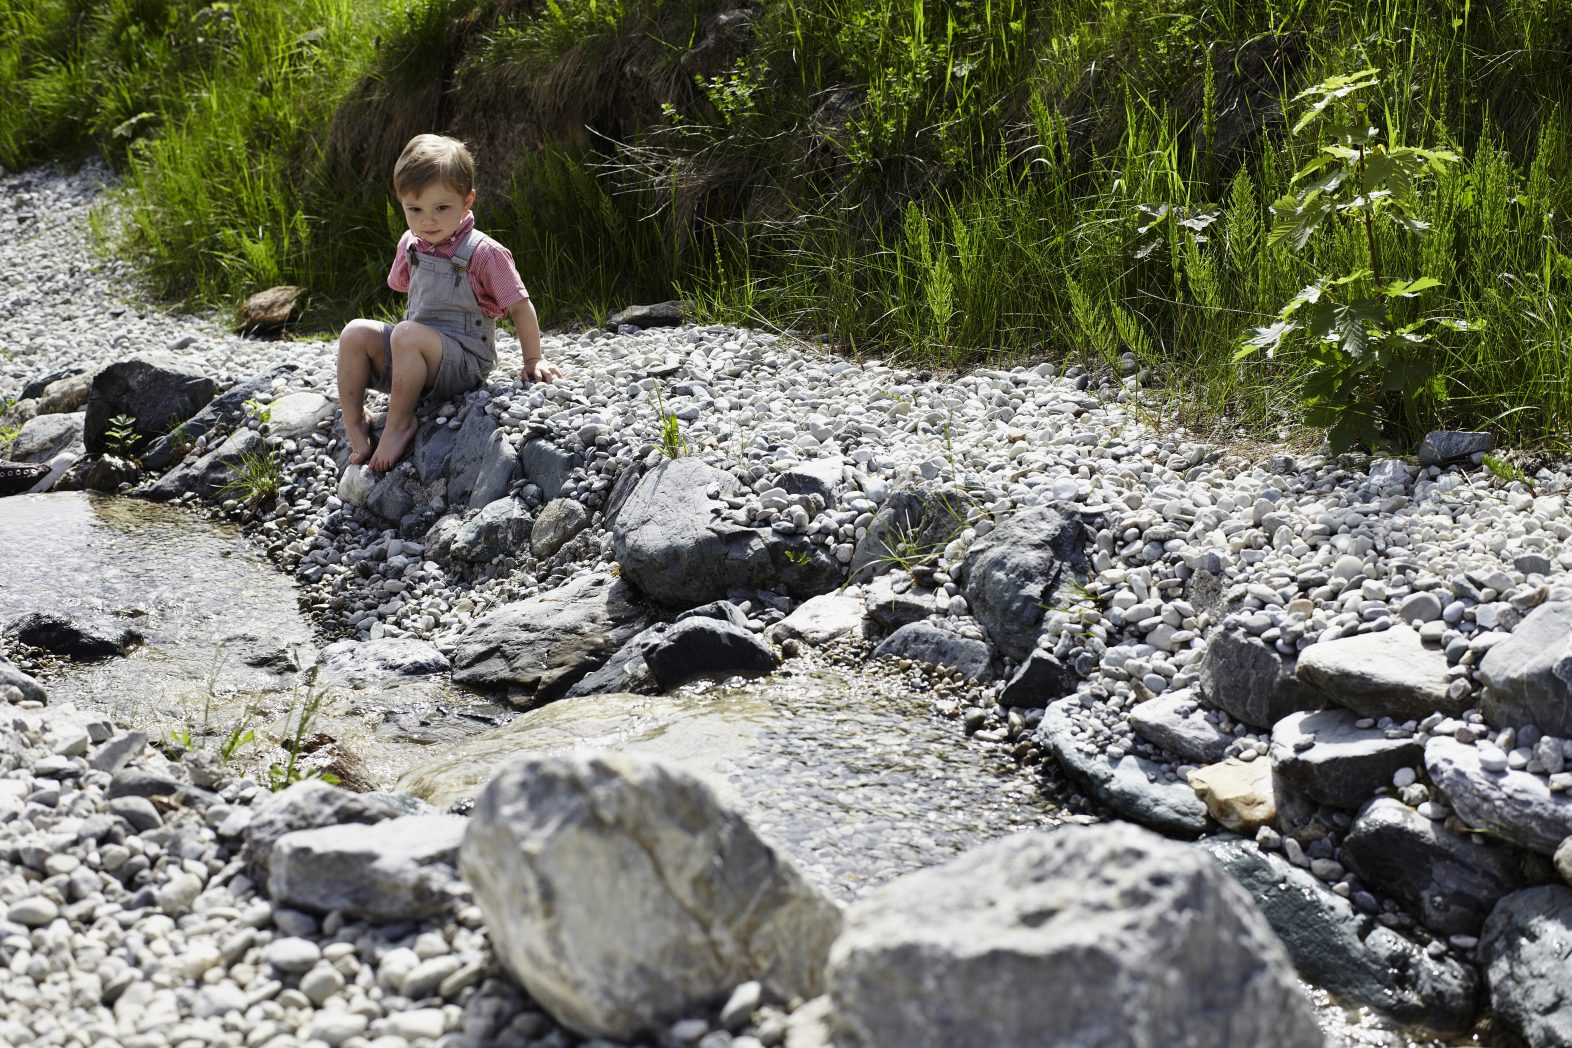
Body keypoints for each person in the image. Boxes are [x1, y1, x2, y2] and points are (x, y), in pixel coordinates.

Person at [336, 133, 561, 472]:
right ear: (402, 204)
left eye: (441, 208)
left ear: (466, 201)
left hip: (463, 362)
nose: (428, 221)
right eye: (415, 209)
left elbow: (519, 304)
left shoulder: (484, 253)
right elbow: (401, 284)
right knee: (354, 332)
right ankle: (355, 420)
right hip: (414, 357)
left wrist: (534, 358)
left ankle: (400, 424)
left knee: (406, 334)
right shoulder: (412, 244)